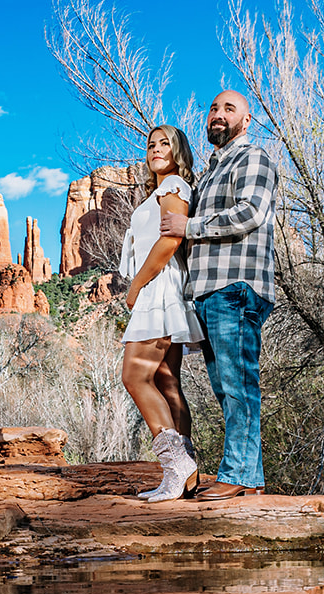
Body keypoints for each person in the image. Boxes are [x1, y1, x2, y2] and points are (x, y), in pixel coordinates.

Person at [160, 91, 279, 500]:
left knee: (237, 383)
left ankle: (239, 475)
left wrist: (187, 227)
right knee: (227, 385)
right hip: (210, 291)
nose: (218, 115)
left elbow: (250, 213)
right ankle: (250, 480)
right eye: (213, 108)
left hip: (236, 286)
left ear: (247, 121)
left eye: (229, 109)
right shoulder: (212, 170)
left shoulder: (254, 158)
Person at [120, 124, 205, 502]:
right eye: (151, 144)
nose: (156, 149)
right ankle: (186, 482)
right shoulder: (160, 190)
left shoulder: (173, 187)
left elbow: (171, 239)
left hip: (159, 289)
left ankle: (175, 467)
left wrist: (136, 285)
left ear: (178, 150)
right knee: (168, 381)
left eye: (164, 143)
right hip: (166, 288)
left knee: (134, 375)